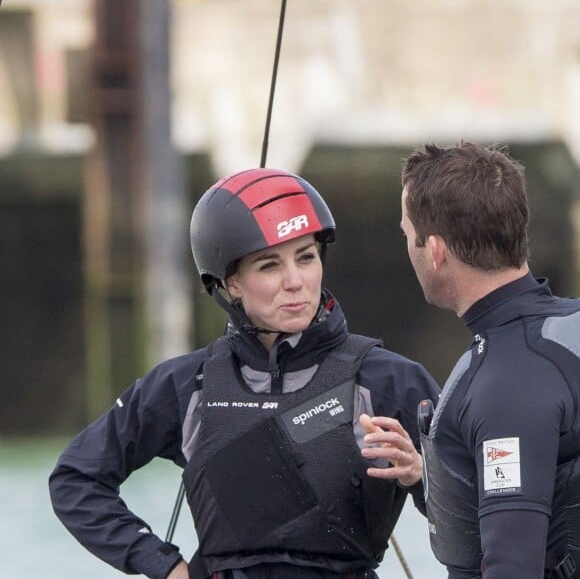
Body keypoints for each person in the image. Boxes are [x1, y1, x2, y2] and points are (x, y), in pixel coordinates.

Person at [49, 167, 440, 579]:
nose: (295, 282)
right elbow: (75, 480)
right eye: (269, 266)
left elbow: (481, 515)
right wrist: (163, 565)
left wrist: (420, 476)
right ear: (231, 282)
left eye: (306, 257)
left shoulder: (391, 380)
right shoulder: (186, 385)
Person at [392, 141, 580, 579]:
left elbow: (512, 565)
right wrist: (428, 477)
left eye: (406, 234)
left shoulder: (508, 381)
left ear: (435, 251)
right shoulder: (561, 334)